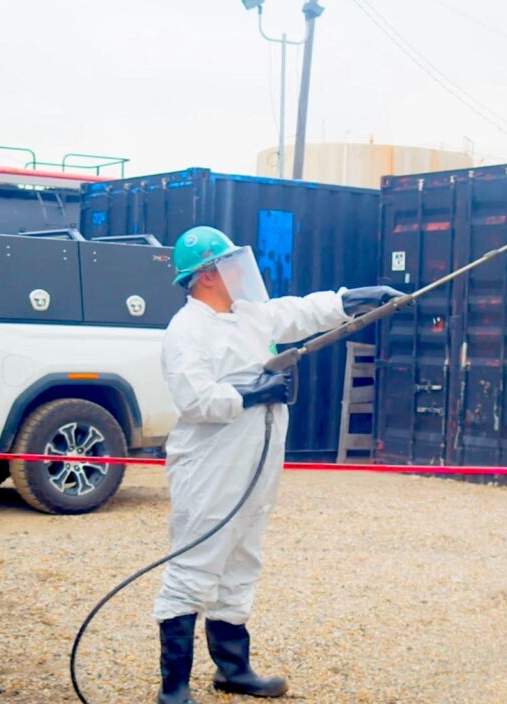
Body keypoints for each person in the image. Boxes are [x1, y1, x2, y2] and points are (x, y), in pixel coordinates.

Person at [154, 226, 404, 704]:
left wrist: (354, 297)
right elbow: (194, 398)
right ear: (206, 275)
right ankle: (174, 689)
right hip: (209, 466)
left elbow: (299, 311)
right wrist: (254, 394)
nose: (240, 270)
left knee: (242, 558)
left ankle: (233, 669)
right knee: (196, 562)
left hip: (257, 459)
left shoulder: (249, 314)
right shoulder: (187, 330)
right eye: (228, 263)